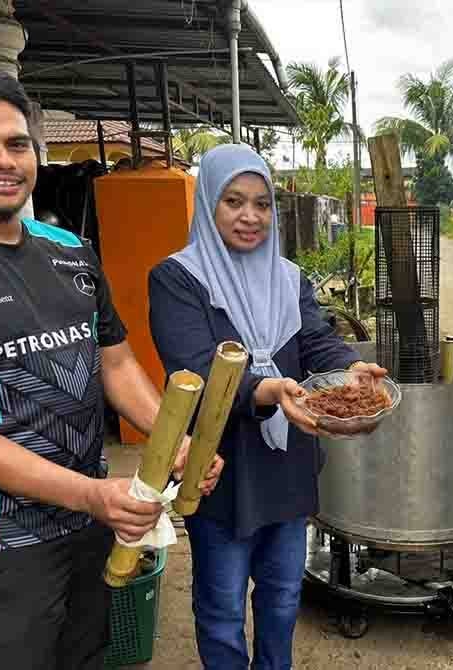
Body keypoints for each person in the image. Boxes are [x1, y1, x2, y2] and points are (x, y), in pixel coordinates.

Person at [0, 61, 221, 670]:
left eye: (17, 144)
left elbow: (114, 367)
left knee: (89, 659)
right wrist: (92, 494)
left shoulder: (70, 252)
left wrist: (176, 444)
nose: (3, 161)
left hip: (89, 525)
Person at [148, 143, 386, 670]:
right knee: (222, 606)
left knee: (281, 597)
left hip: (287, 461)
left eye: (261, 203)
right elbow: (193, 368)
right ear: (208, 203)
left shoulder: (288, 276)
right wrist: (267, 390)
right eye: (234, 201)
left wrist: (348, 367)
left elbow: (315, 339)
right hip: (221, 463)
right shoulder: (177, 278)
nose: (250, 216)